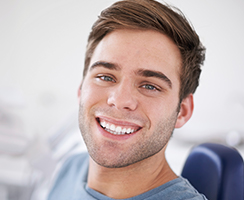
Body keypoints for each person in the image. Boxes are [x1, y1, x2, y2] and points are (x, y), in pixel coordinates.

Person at [48, 0, 206, 199]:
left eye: (150, 86)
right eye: (105, 77)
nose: (119, 100)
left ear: (182, 111)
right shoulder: (71, 168)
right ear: (81, 89)